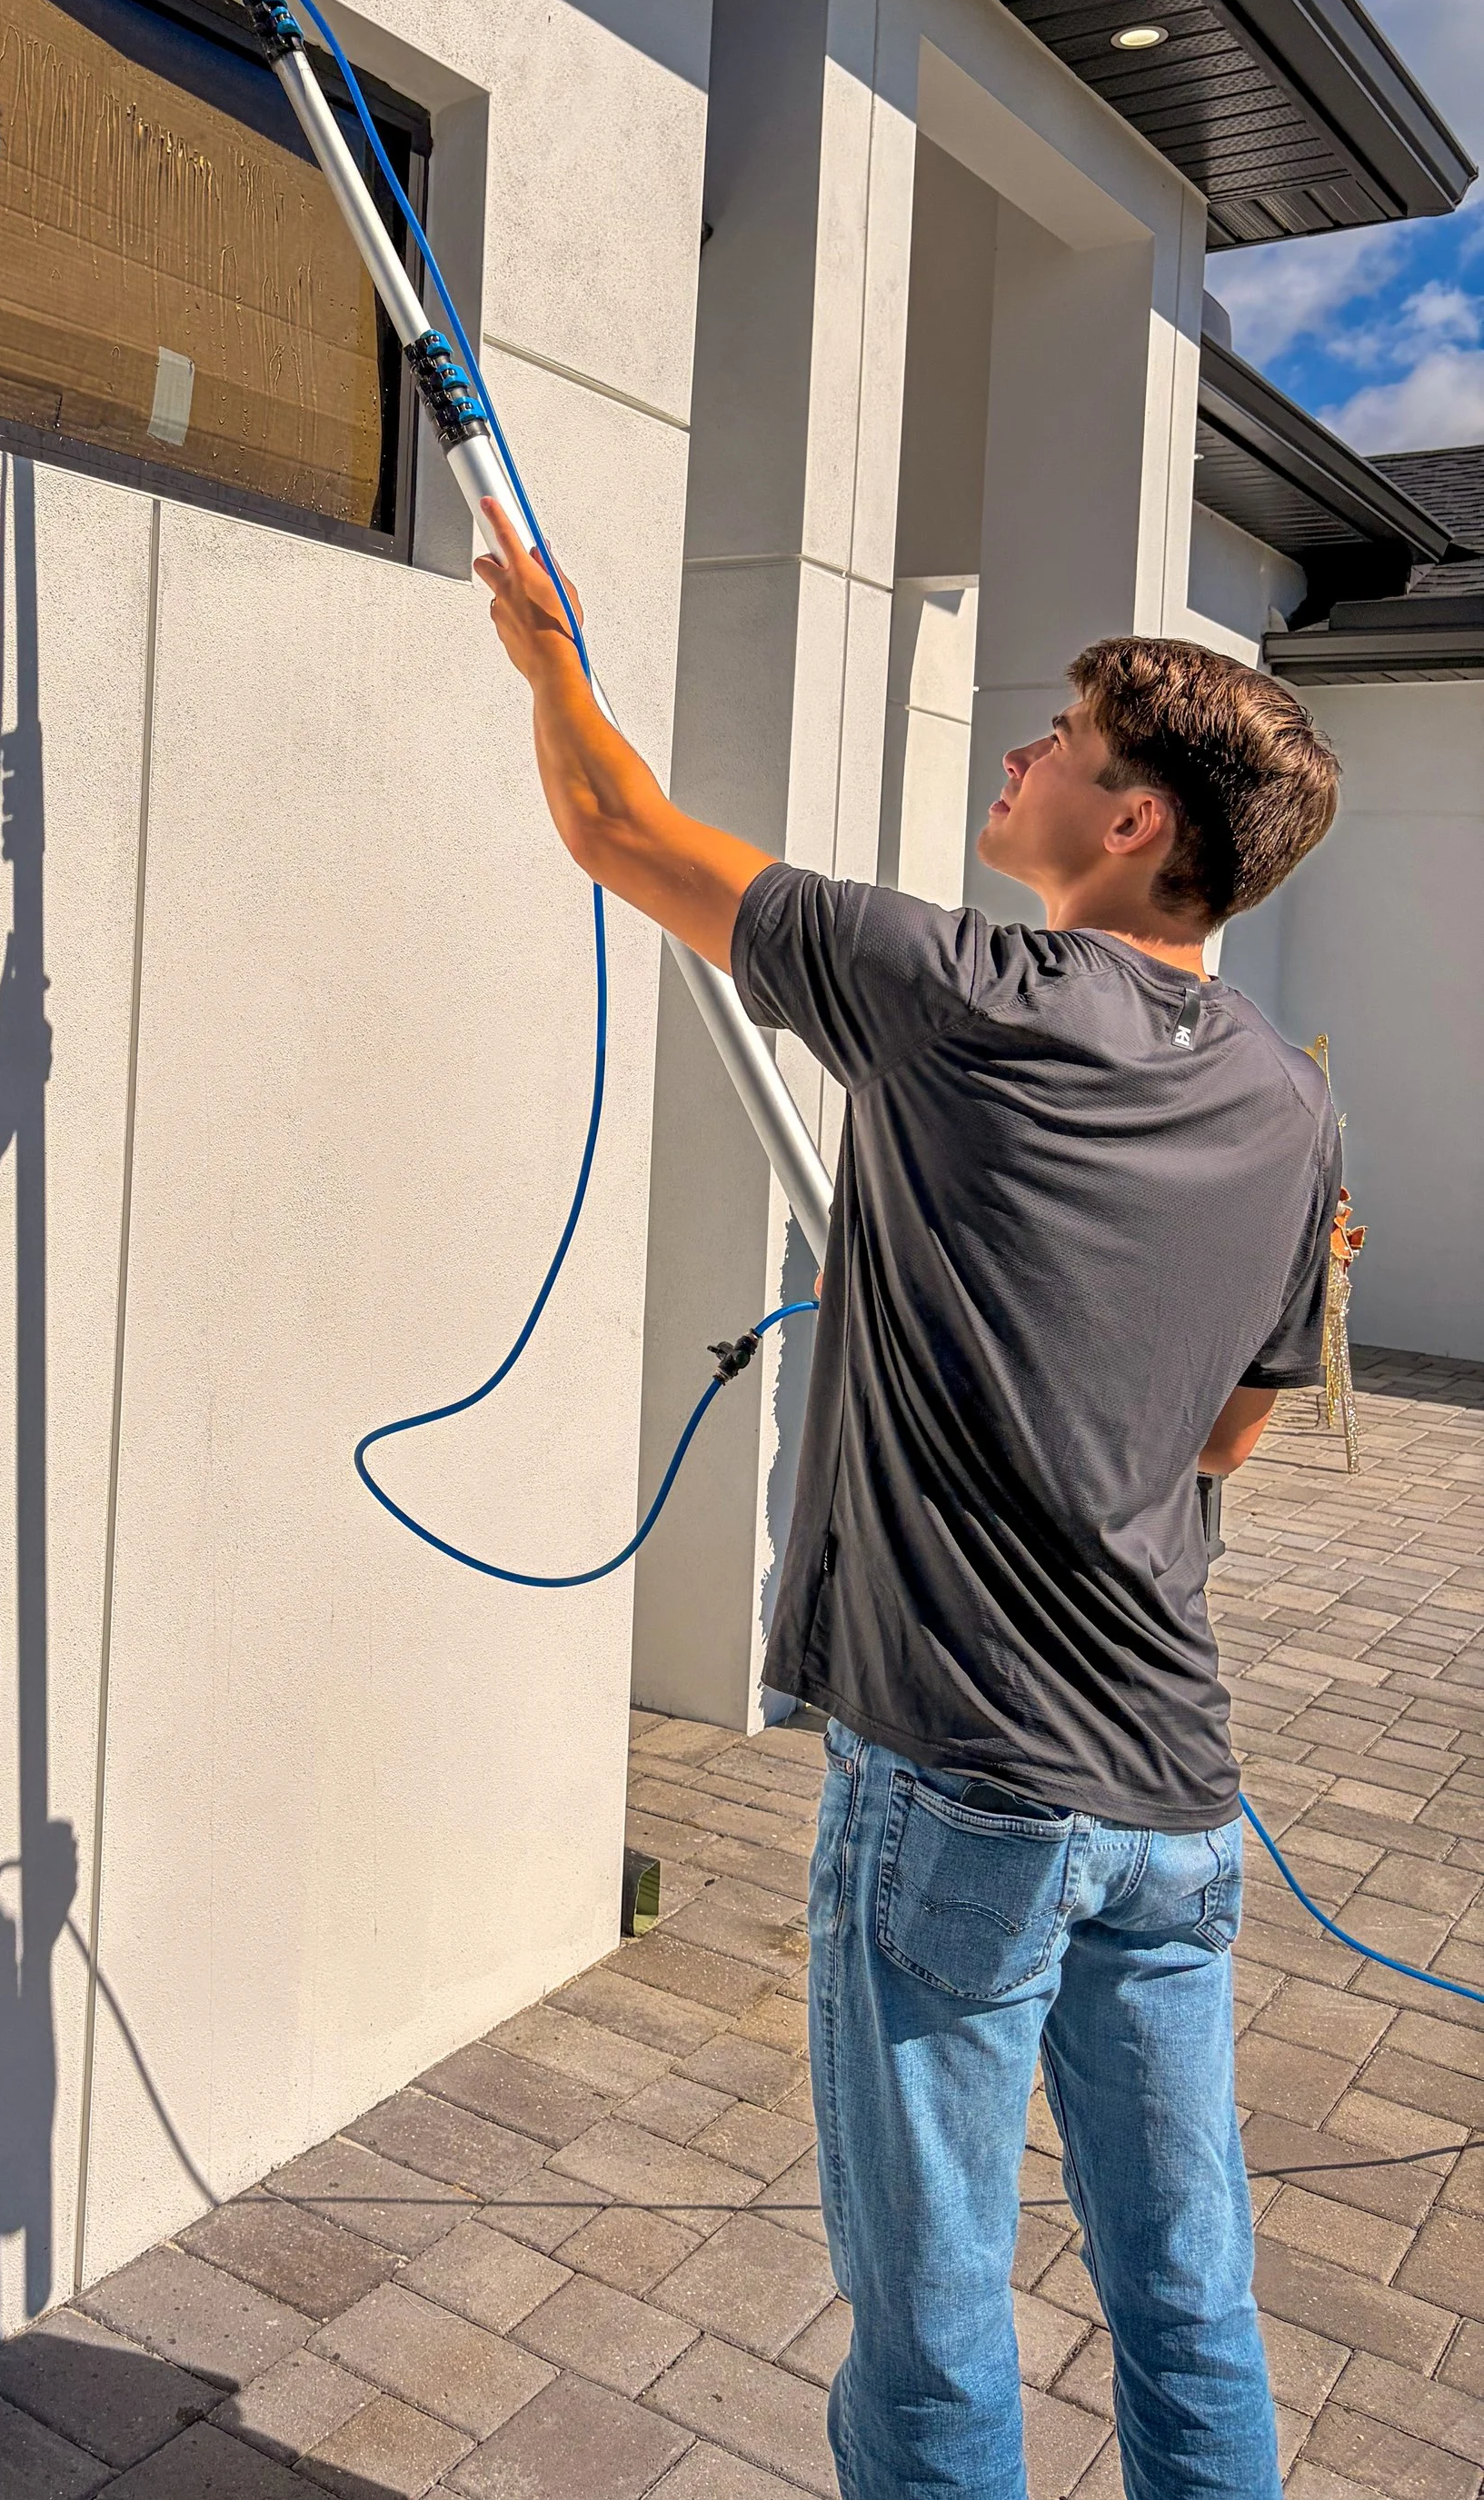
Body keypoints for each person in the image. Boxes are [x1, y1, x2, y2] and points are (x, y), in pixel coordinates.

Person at [475, 507, 1342, 2500]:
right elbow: (1220, 1437)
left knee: (939, 2320)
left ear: (1130, 825)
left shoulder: (957, 992)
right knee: (1187, 2295)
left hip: (958, 1789)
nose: (1016, 757)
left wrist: (545, 652)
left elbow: (615, 830)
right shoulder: (1290, 1102)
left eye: (1055, 735)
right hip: (1171, 1807)